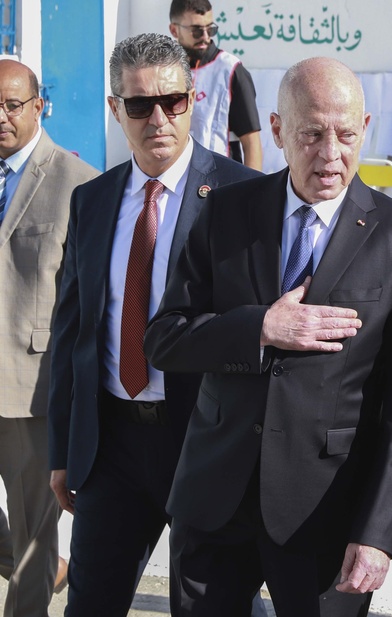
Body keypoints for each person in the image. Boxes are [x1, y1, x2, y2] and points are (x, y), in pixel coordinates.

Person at [143, 56, 392, 616]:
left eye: (346, 135)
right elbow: (165, 339)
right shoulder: (224, 211)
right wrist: (259, 327)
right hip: (215, 502)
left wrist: (377, 532)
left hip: (325, 511)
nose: (331, 154)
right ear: (276, 130)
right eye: (312, 134)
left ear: (365, 128)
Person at [46, 33, 259, 615]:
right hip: (111, 446)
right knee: (90, 605)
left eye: (173, 101)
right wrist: (63, 448)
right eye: (140, 105)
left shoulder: (245, 195)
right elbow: (73, 333)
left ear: (193, 99)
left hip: (205, 442)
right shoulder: (92, 200)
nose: (158, 119)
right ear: (115, 109)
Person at [0, 59, 98, 615]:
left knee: (33, 538)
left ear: (39, 107)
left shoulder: (77, 183)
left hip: (32, 391)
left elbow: (87, 307)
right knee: (27, 547)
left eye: (13, 105)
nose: (1, 116)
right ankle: (49, 567)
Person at [169, 0, 263, 171]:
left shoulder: (231, 70)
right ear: (174, 30)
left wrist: (254, 187)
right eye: (197, 31)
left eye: (210, 29)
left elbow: (252, 142)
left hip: (221, 180)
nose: (206, 37)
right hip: (174, 179)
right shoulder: (165, 71)